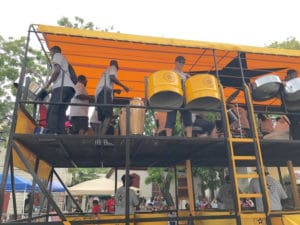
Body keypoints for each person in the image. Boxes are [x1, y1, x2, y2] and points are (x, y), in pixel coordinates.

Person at [44, 45, 75, 134]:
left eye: (51, 52)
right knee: (61, 111)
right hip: (69, 88)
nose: (50, 55)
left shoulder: (57, 55)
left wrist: (48, 83)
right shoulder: (65, 60)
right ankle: (60, 132)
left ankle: (51, 132)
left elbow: (57, 71)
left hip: (62, 87)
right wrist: (50, 90)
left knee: (53, 109)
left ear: (54, 51)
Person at [95, 60, 129, 135]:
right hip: (104, 93)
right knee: (108, 115)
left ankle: (99, 139)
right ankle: (101, 138)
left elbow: (107, 83)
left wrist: (115, 91)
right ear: (116, 65)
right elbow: (112, 77)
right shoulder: (113, 67)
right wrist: (124, 86)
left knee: (103, 118)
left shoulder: (106, 72)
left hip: (100, 94)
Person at [165, 56, 192, 137]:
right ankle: (168, 139)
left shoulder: (185, 75)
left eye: (183, 62)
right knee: (171, 119)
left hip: (183, 98)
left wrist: (190, 79)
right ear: (175, 62)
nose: (181, 63)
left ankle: (189, 139)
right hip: (173, 97)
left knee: (188, 118)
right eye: (180, 62)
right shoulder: (170, 73)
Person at [282, 69, 300, 140]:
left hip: (297, 106)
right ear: (288, 75)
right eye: (293, 75)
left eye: (296, 75)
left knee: (296, 124)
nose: (295, 76)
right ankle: (296, 140)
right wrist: (283, 85)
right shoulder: (284, 83)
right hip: (291, 108)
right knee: (295, 124)